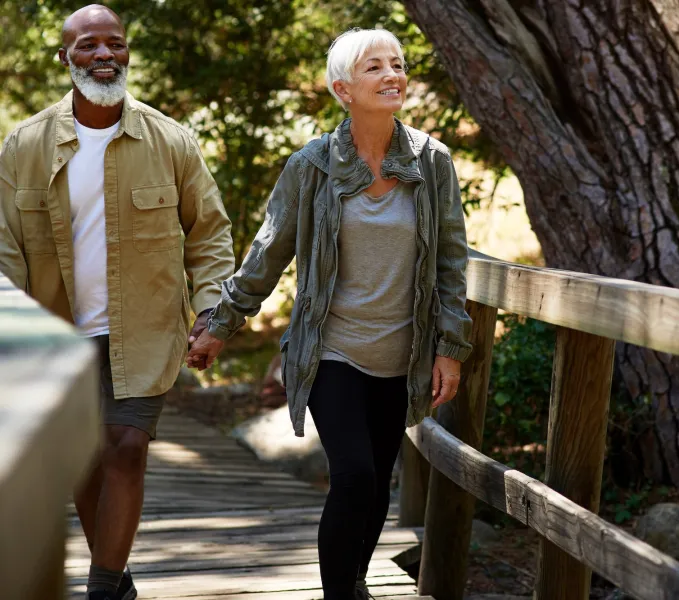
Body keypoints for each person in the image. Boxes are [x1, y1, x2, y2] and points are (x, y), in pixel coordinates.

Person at [187, 28, 473, 600]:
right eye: (375, 68)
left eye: (398, 64)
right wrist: (221, 325)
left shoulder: (432, 161)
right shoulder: (312, 165)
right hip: (331, 350)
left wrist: (450, 346)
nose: (393, 74)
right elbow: (268, 253)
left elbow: (450, 259)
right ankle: (340, 593)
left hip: (404, 353)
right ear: (343, 88)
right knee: (355, 475)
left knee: (377, 483)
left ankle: (356, 581)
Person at [0, 5, 234, 599]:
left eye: (114, 44)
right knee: (83, 459)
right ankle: (118, 575)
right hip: (56, 330)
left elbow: (208, 231)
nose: (104, 55)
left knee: (125, 449)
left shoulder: (170, 140)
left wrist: (211, 313)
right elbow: (4, 248)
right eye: (88, 46)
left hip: (145, 327)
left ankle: (103, 588)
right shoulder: (24, 146)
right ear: (65, 58)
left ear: (127, 53)